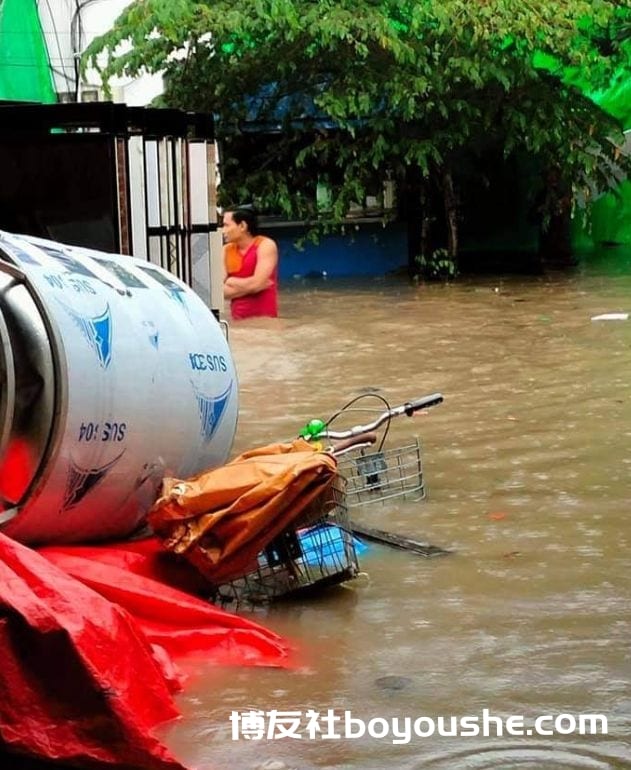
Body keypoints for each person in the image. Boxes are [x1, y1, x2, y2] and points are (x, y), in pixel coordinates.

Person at [222, 208, 279, 319]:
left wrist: (230, 281)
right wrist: (253, 286)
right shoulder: (225, 250)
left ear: (242, 226)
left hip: (266, 322)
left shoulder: (265, 245)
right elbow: (219, 292)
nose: (223, 231)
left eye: (226, 225)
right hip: (238, 324)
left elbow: (257, 284)